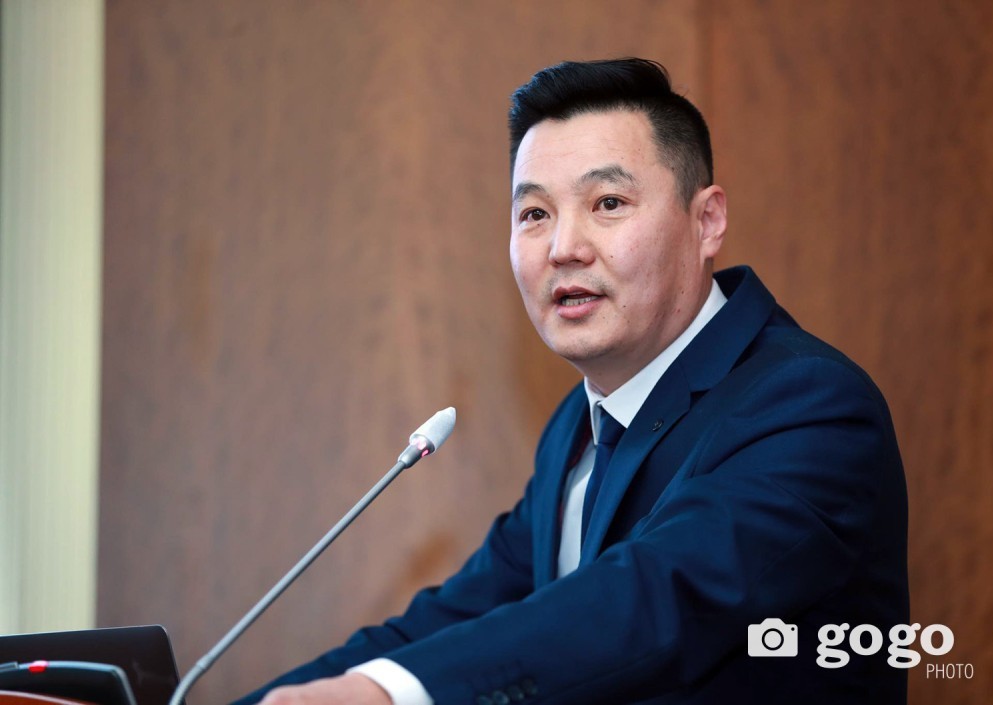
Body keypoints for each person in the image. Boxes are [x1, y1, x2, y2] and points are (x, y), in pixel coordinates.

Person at [233, 58, 908, 705]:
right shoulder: (578, 426)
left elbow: (649, 597)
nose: (563, 248)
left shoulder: (808, 404)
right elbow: (460, 617)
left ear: (706, 222)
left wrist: (391, 694)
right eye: (534, 214)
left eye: (608, 202)